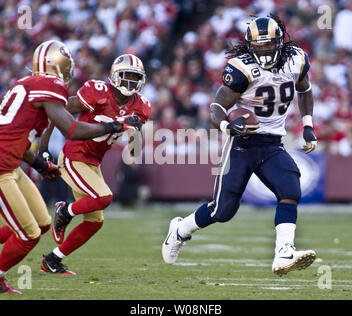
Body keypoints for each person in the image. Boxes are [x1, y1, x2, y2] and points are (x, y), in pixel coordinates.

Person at [162, 15, 317, 276]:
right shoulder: (242, 69)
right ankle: (180, 229)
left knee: (290, 187)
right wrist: (227, 126)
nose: (265, 50)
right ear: (250, 46)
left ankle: (284, 252)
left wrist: (308, 125)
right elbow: (216, 108)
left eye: (269, 44)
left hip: (272, 143)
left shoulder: (296, 60)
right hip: (243, 143)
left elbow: (305, 89)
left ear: (280, 41)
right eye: (259, 46)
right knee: (223, 210)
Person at [0, 40, 136, 294]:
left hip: (12, 163)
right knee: (28, 234)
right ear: (57, 64)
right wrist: (112, 126)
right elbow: (71, 129)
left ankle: (50, 257)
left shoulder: (28, 84)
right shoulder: (50, 84)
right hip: (2, 168)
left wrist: (40, 163)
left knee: (40, 224)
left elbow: (18, 138)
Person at [40, 53, 152, 275]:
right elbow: (57, 113)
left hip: (93, 162)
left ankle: (52, 260)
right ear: (114, 76)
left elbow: (134, 150)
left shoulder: (142, 107)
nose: (130, 82)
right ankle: (65, 210)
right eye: (126, 76)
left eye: (134, 77)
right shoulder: (97, 92)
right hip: (74, 155)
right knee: (104, 197)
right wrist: (43, 148)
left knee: (94, 221)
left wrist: (137, 132)